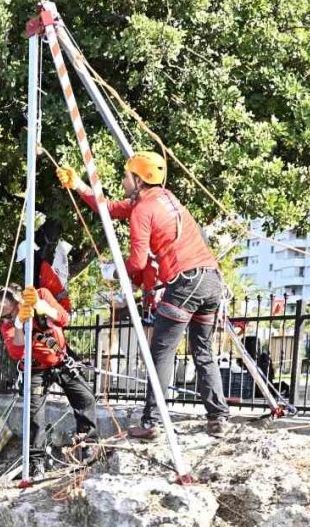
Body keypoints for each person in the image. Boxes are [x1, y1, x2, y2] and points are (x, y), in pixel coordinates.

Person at [57, 152, 229, 438]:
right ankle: (218, 416)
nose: (123, 180)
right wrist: (79, 185)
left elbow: (137, 261)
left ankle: (151, 422)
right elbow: (109, 208)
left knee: (161, 351)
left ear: (138, 180)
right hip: (210, 280)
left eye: (126, 176)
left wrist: (115, 273)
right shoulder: (165, 199)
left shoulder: (142, 210)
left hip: (185, 282)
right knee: (203, 351)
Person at [0, 282, 98, 469]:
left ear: (20, 301)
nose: (9, 318)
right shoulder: (8, 324)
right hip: (35, 367)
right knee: (34, 415)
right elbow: (17, 351)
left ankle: (88, 445)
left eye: (12, 312)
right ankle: (36, 462)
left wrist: (43, 308)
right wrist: (18, 325)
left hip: (59, 359)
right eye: (6, 316)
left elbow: (64, 319)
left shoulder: (41, 295)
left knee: (85, 398)